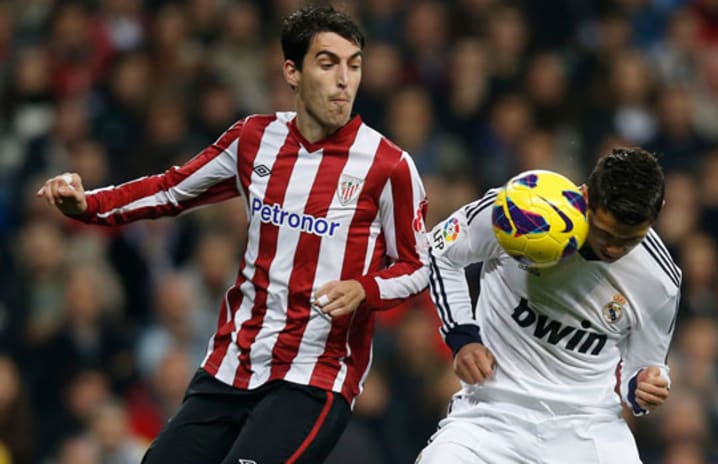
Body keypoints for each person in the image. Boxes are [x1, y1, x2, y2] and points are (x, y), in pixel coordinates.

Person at [36, 6, 430, 464]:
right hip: (232, 363)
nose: (345, 79)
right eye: (328, 63)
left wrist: (364, 287)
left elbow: (417, 265)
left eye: (354, 64)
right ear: (292, 71)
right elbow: (170, 189)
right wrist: (90, 205)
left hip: (314, 376)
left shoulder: (388, 166)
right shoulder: (253, 139)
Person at [418, 148, 680, 463]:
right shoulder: (523, 209)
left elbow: (644, 369)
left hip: (589, 426)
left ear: (659, 211)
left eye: (629, 240)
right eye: (604, 232)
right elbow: (439, 251)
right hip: (491, 415)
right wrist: (463, 337)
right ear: (584, 196)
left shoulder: (659, 281)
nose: (613, 248)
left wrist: (644, 386)